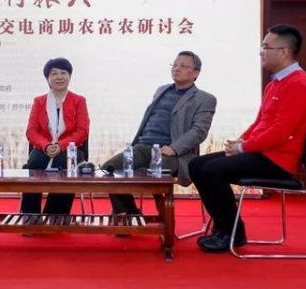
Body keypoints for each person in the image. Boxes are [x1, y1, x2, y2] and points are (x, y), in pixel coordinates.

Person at [190, 24, 306, 252]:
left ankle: (231, 233)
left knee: (211, 170)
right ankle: (225, 228)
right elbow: (259, 123)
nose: (261, 52)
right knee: (196, 165)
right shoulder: (276, 82)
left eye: (266, 47)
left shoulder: (298, 84)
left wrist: (244, 148)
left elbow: (280, 132)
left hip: (277, 161)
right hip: (261, 153)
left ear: (284, 52)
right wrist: (240, 143)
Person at [104, 51, 217, 217]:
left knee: (155, 177)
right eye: (174, 65)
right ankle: (130, 213)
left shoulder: (204, 98)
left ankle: (164, 221)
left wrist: (174, 148)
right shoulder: (161, 90)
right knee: (108, 170)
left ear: (195, 73)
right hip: (142, 146)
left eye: (183, 66)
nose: (176, 68)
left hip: (169, 151)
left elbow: (199, 131)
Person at [21, 57, 90, 215]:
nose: (59, 77)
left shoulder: (79, 101)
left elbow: (82, 131)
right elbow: (31, 131)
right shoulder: (39, 102)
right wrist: (46, 145)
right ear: (47, 79)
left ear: (69, 76)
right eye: (54, 73)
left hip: (70, 148)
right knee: (34, 163)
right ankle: (30, 216)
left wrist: (61, 145)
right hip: (44, 147)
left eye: (63, 73)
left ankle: (54, 216)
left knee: (66, 164)